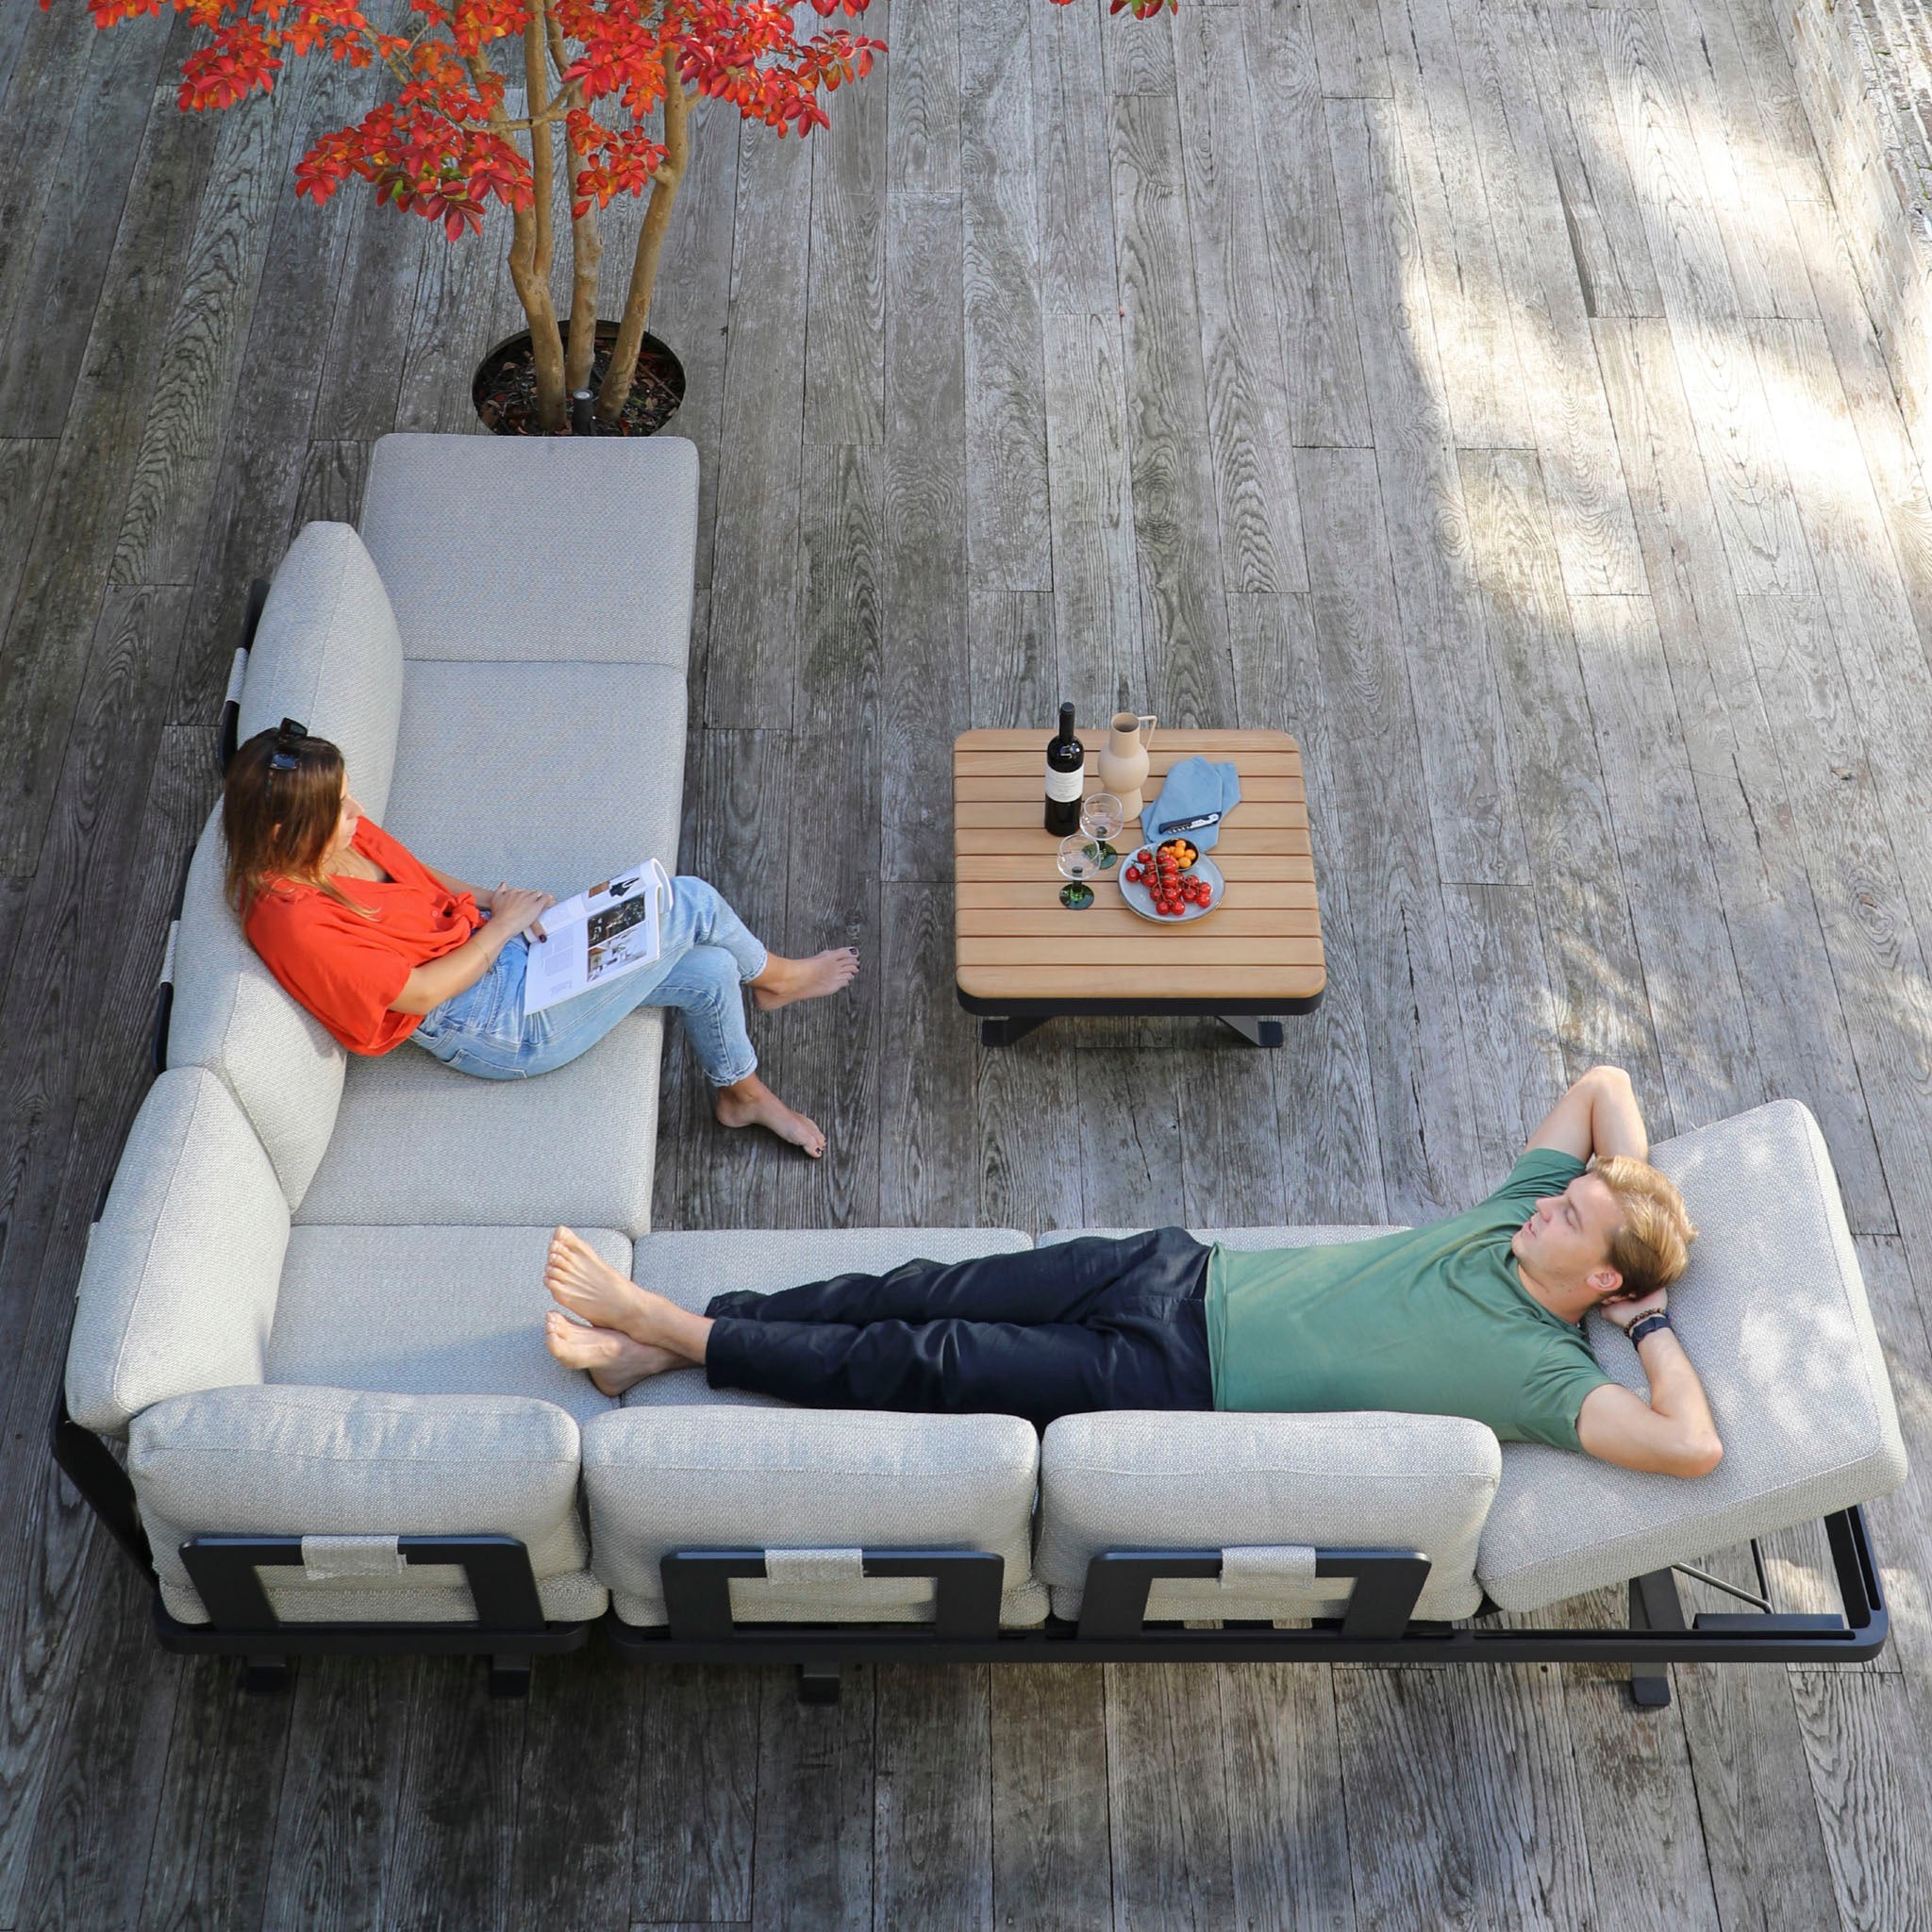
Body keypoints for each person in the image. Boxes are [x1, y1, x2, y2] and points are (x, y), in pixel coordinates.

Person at [541, 1064, 1724, 1477]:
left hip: (1174, 1370)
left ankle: (672, 1329)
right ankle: (672, 1334)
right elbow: (1603, 1082)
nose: (1547, 1203)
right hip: (1172, 1267)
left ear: (1605, 1287)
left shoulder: (1541, 1374)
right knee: (919, 1284)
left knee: (926, 1359)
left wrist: (1649, 1319)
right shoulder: (1513, 1219)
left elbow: (1689, 1446)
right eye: (1566, 1192)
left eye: (1572, 1215)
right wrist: (1627, 1204)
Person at [224, 720, 858, 1157]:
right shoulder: (296, 922)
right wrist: (500, 929)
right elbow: (416, 994)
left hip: (507, 956)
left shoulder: (329, 839)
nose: (356, 813)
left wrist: (490, 901)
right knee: (686, 900)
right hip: (502, 1024)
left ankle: (740, 1096)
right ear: (283, 833)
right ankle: (777, 978)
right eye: (338, 808)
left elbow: (417, 877)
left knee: (712, 970)